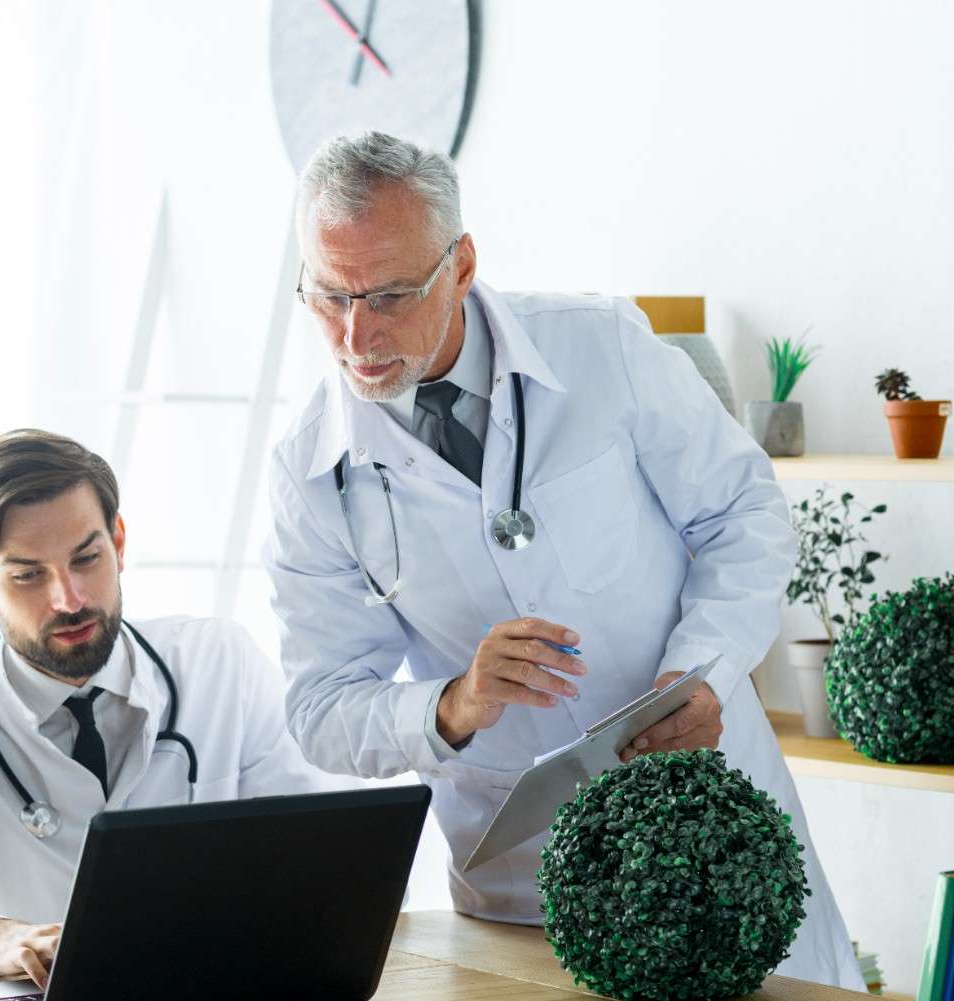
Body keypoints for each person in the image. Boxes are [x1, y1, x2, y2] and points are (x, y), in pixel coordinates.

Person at [263, 131, 866, 990]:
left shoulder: (601, 345)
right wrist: (454, 704)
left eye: (390, 293)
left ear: (461, 264)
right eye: (328, 296)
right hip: (523, 884)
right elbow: (321, 708)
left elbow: (744, 513)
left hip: (710, 831)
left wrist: (704, 676)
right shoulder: (308, 468)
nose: (356, 333)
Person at [0, 429, 327, 988]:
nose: (69, 599)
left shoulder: (222, 663)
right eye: (28, 575)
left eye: (87, 558)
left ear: (118, 543)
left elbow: (312, 853)